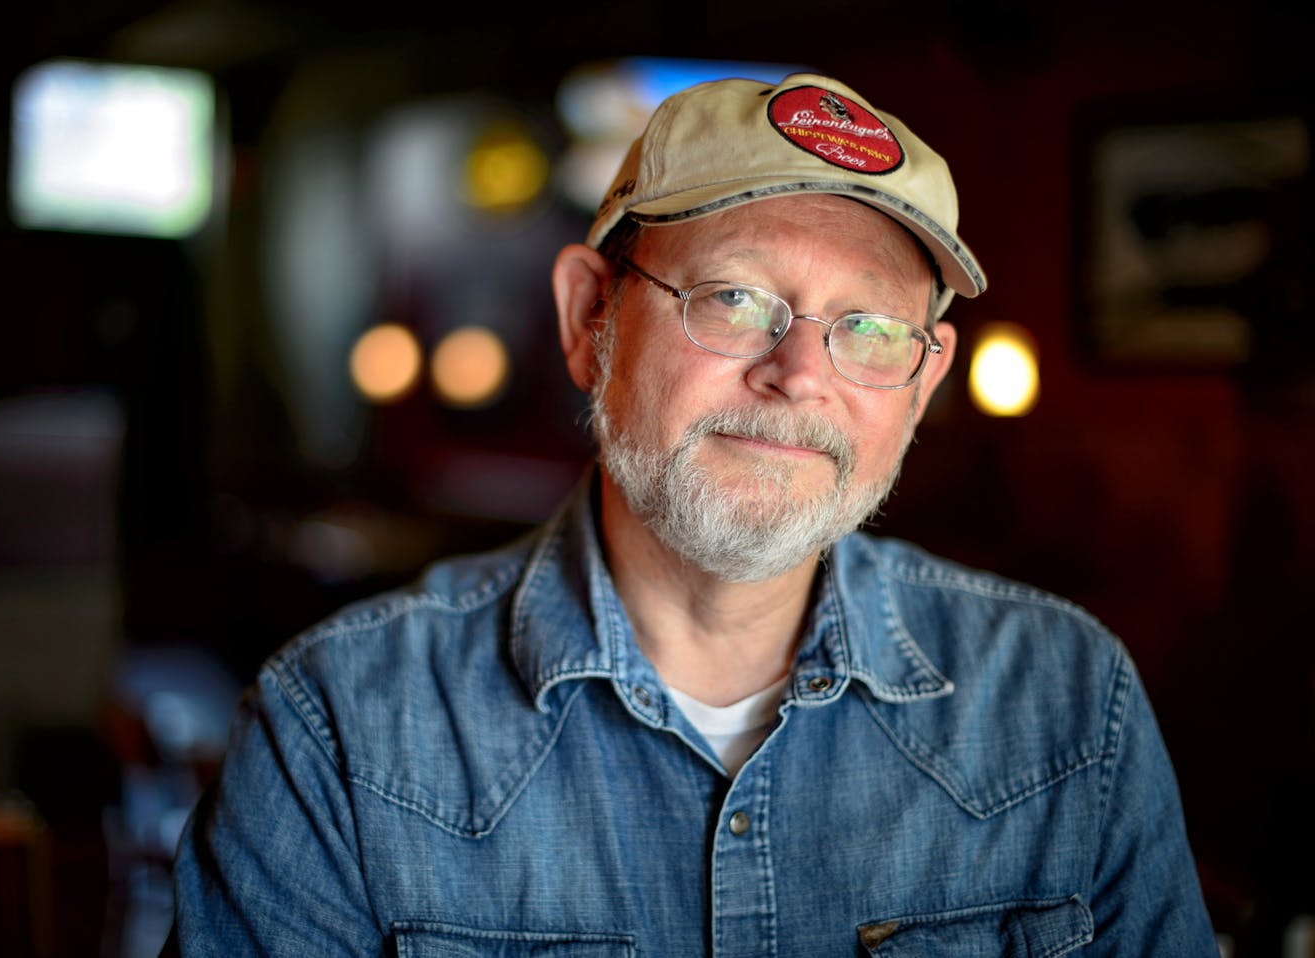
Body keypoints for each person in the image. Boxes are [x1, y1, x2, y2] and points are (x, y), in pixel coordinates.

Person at [166, 73, 1218, 955]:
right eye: (734, 298)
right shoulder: (339, 733)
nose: (800, 374)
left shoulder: (1071, 706)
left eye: (869, 325)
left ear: (925, 381)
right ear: (590, 321)